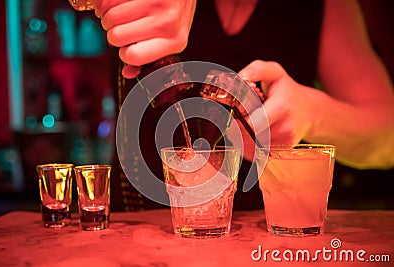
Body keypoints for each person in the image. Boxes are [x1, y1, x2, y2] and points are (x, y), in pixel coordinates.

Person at [93, 0, 394, 209]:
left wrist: (312, 114)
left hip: (272, 241)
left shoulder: (325, 6)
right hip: (134, 232)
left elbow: (388, 140)